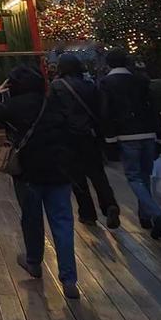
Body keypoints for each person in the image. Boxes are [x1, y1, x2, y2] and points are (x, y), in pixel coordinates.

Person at [0, 66, 80, 299]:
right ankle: (69, 279)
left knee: (31, 219)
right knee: (63, 223)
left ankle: (34, 261)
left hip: (28, 172)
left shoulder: (14, 106)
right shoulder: (53, 103)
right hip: (59, 169)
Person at [100, 46, 161, 238]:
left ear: (108, 64)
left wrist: (110, 140)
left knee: (134, 177)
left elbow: (106, 113)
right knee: (145, 175)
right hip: (148, 133)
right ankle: (145, 216)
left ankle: (156, 214)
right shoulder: (141, 80)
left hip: (125, 135)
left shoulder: (106, 83)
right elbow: (153, 109)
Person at [53, 52, 119, 229]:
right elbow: (101, 111)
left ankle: (87, 213)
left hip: (68, 137)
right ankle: (109, 204)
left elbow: (53, 113)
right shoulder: (90, 85)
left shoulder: (57, 86)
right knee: (97, 173)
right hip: (90, 135)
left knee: (77, 177)